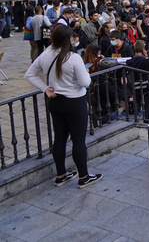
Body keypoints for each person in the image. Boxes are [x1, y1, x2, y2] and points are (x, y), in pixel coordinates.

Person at [24, 25, 103, 188]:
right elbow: (84, 83)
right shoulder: (73, 58)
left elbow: (29, 74)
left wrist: (45, 88)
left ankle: (61, 174)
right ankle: (84, 176)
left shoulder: (46, 54)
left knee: (60, 138)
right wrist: (86, 75)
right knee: (78, 140)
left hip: (55, 101)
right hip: (74, 102)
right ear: (68, 40)